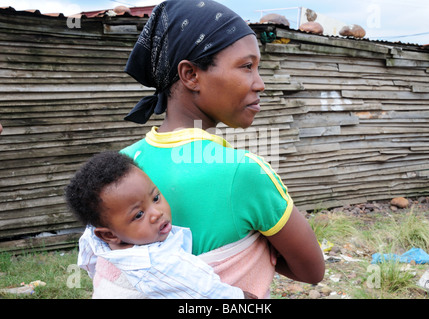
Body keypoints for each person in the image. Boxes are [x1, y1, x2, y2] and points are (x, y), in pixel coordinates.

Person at [82, 0, 324, 298]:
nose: (260, 84)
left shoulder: (123, 166)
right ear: (191, 75)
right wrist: (257, 248)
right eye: (247, 67)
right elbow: (311, 271)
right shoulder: (243, 172)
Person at [66, 151, 255, 299]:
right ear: (108, 235)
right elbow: (204, 291)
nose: (157, 213)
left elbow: (88, 256)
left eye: (156, 198)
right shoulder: (157, 262)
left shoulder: (94, 235)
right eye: (139, 214)